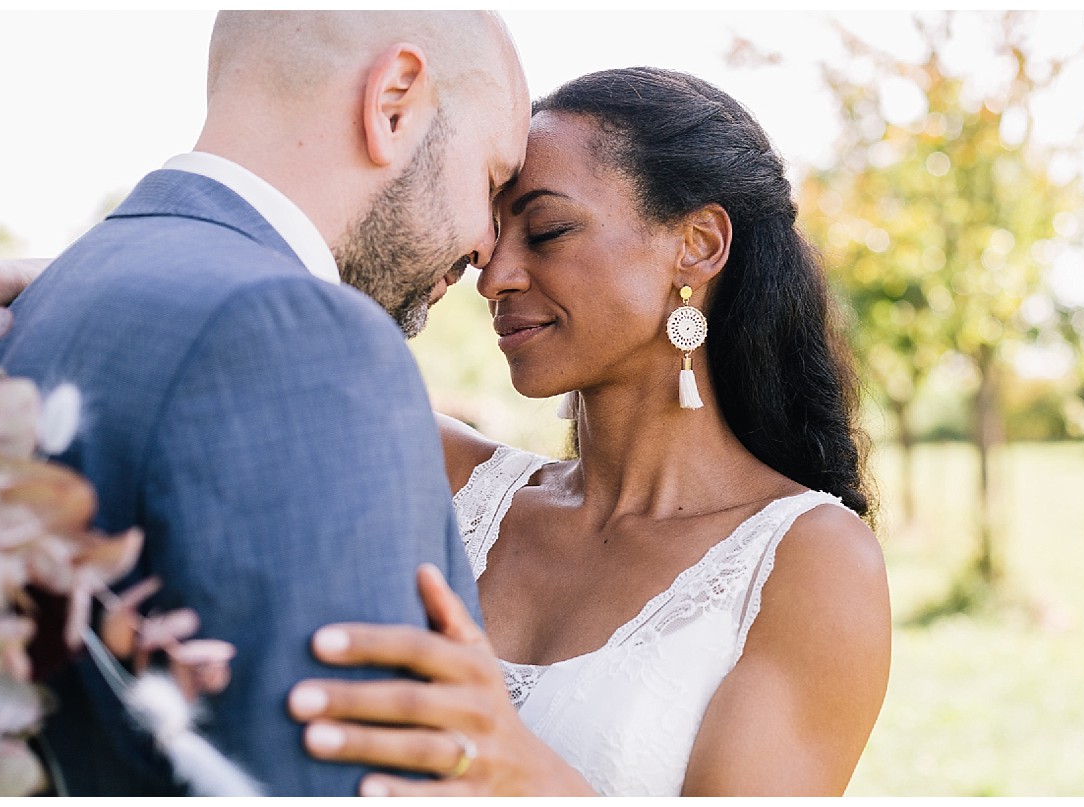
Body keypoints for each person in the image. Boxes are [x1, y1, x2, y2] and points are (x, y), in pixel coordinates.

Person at [0, 11, 529, 796]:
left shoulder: (34, 298)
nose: (486, 245)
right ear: (395, 101)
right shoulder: (304, 336)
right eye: (491, 180)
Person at [281, 67, 892, 797]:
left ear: (696, 244)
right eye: (493, 235)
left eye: (546, 231)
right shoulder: (436, 472)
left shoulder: (807, 562)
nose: (496, 275)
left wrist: (525, 776)